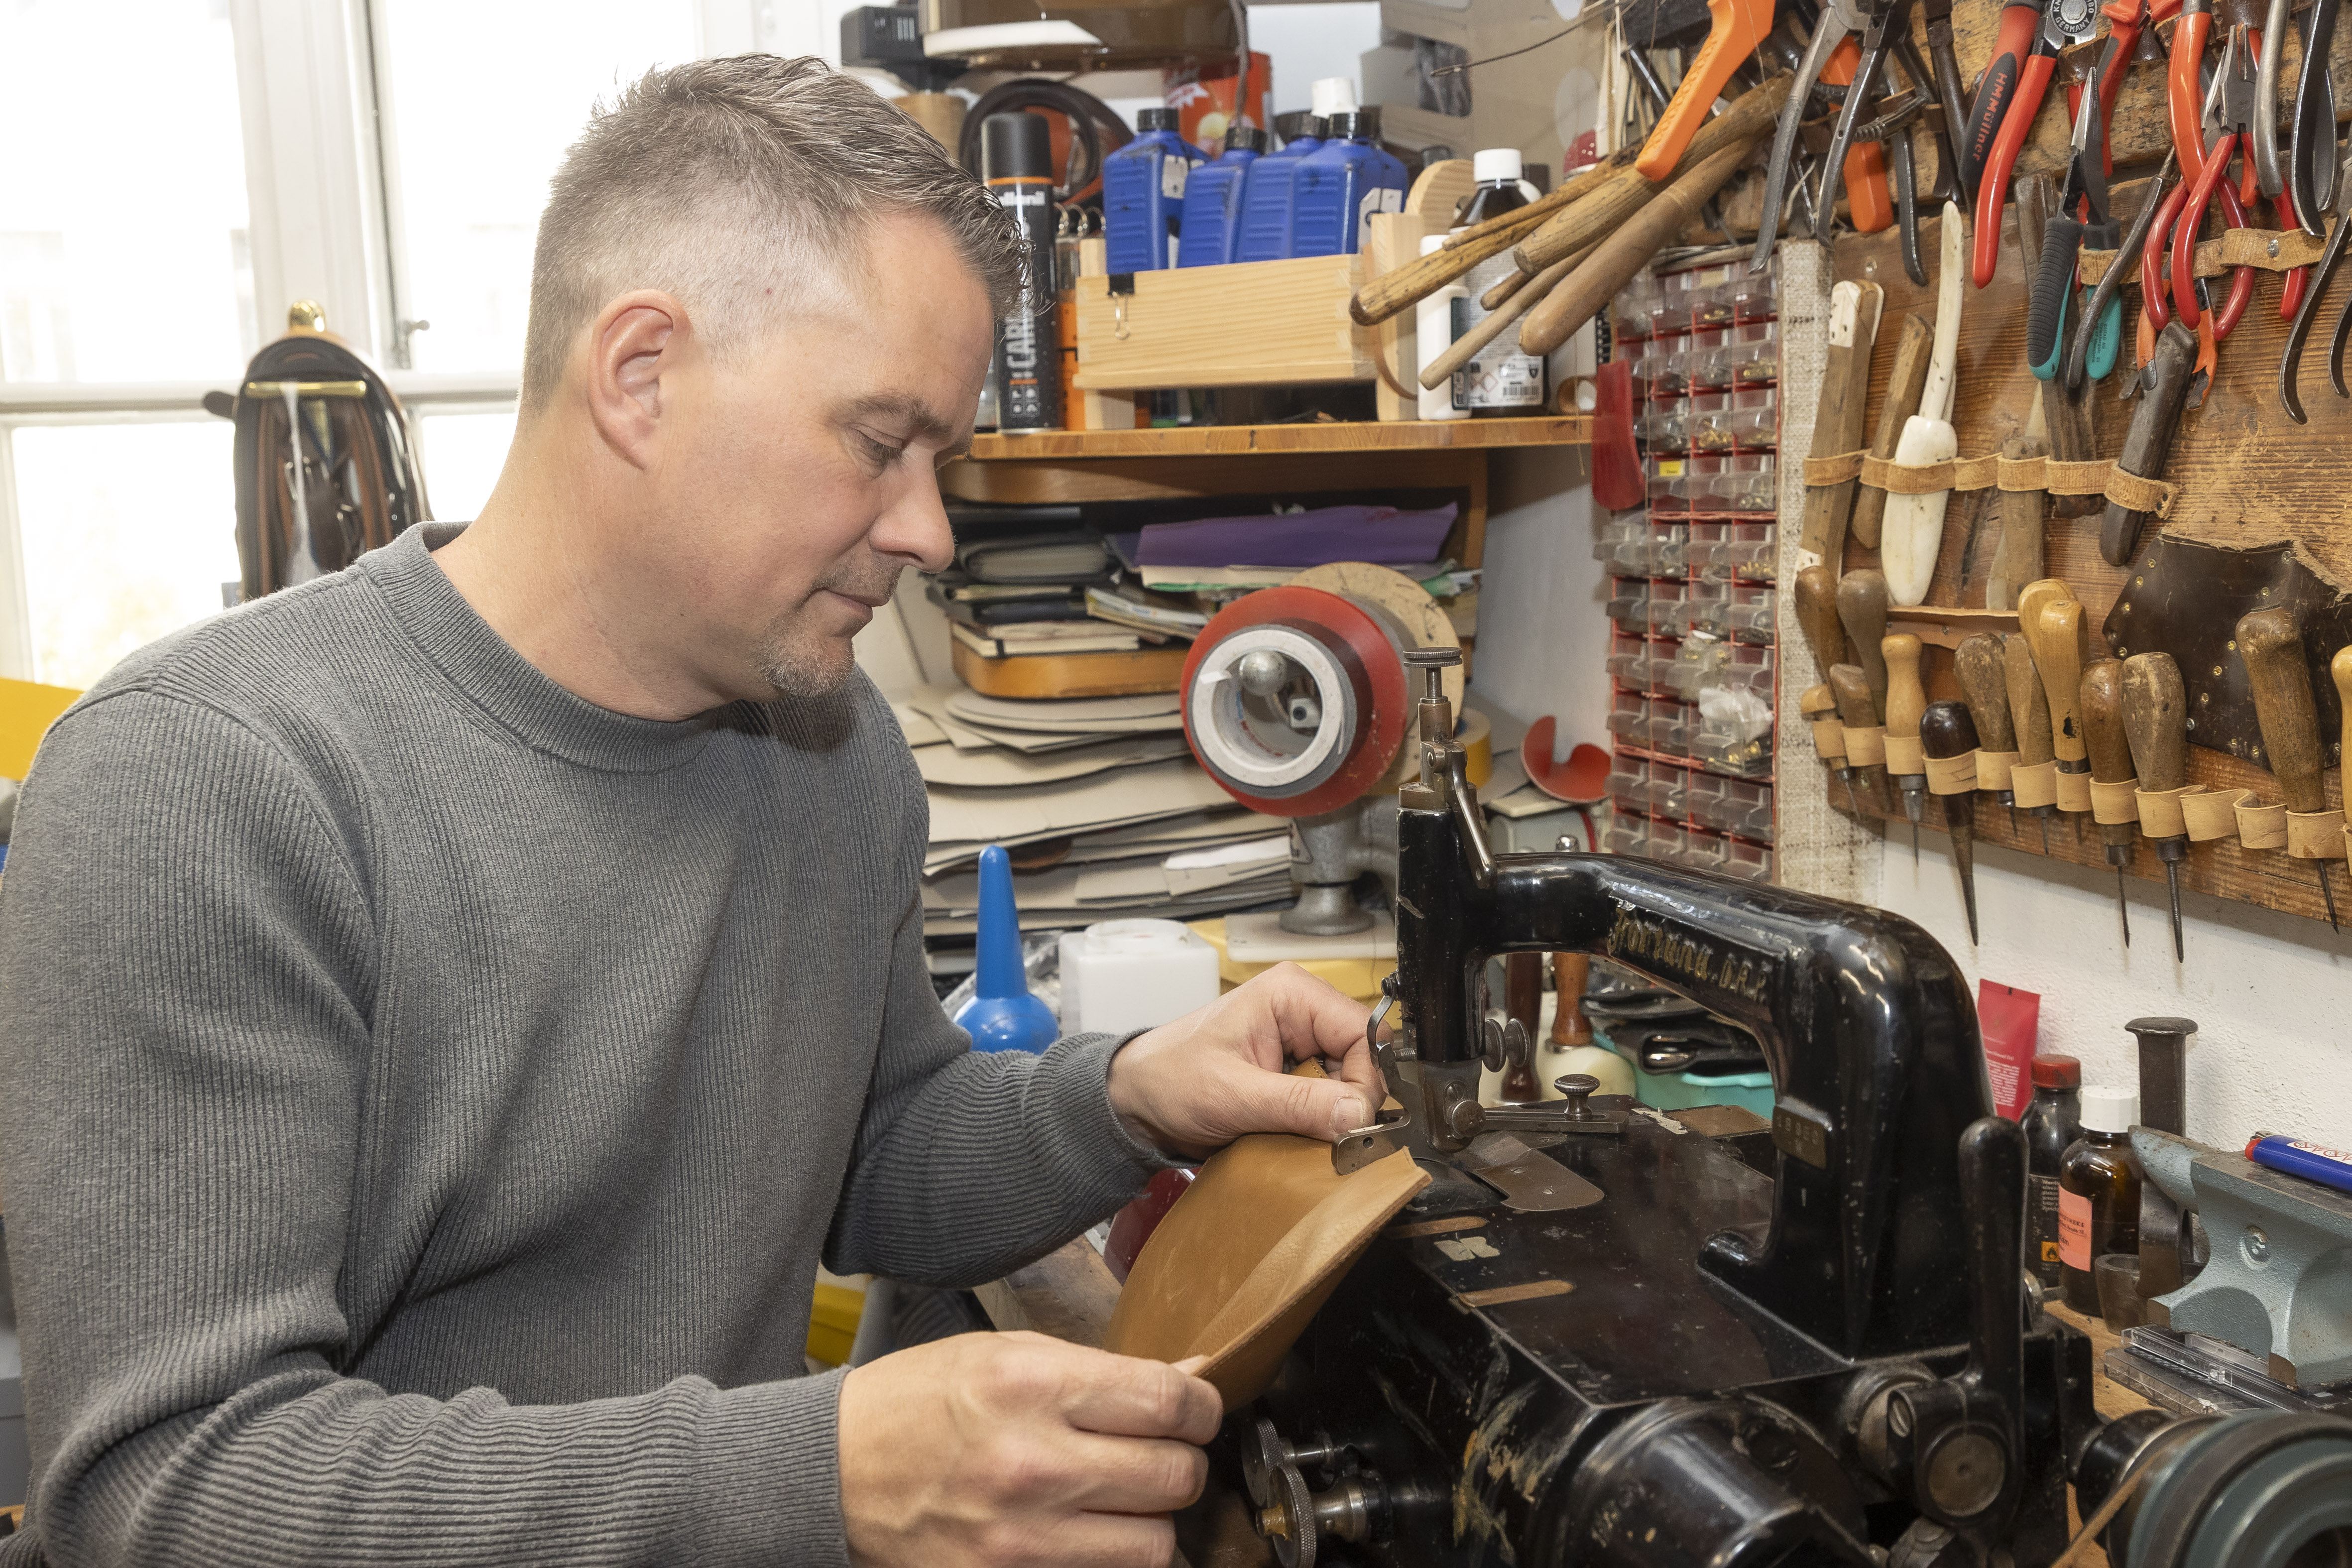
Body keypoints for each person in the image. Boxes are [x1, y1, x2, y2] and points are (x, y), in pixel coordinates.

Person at [0, 56, 1384, 1568]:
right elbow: (169, 1493)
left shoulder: (829, 747)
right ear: (640, 374)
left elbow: (863, 1150)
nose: (924, 530)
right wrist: (814, 1476)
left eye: (942, 461)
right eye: (877, 441)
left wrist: (1117, 1097)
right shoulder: (207, 780)